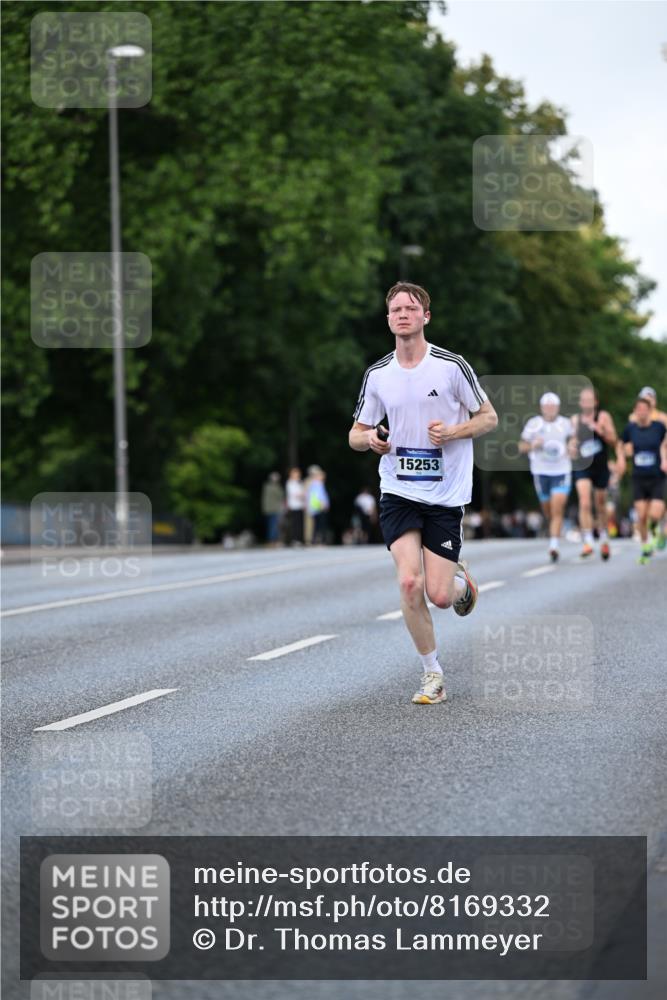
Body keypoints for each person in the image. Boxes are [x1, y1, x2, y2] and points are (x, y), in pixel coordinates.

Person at [349, 281, 498, 706]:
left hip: (445, 494)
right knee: (409, 582)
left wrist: (453, 431)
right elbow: (355, 434)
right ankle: (433, 674)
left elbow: (487, 418)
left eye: (411, 308)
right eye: (395, 309)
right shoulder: (378, 375)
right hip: (397, 489)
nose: (402, 314)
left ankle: (460, 585)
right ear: (388, 318)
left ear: (425, 317)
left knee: (438, 594)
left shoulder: (450, 367)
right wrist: (372, 441)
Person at [518, 392, 575, 562]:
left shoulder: (565, 424)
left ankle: (554, 546)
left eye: (553, 406)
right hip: (540, 471)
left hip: (561, 470)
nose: (550, 409)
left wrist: (572, 447)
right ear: (542, 408)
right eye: (547, 406)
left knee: (557, 508)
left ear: (557, 408)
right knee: (548, 510)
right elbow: (522, 446)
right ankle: (555, 533)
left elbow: (573, 441)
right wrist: (532, 445)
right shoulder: (533, 424)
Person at [617, 395, 667, 563]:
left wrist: (665, 459)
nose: (642, 412)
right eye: (639, 410)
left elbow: (665, 444)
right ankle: (646, 546)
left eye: (645, 409)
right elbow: (620, 444)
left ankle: (656, 531)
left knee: (654, 514)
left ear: (650, 411)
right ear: (635, 412)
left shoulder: (659, 427)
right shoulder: (630, 429)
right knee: (641, 516)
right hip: (638, 477)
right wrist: (622, 459)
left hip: (657, 476)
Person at [570, 387, 617, 560]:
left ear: (596, 402)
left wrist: (600, 429)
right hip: (582, 466)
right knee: (584, 501)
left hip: (600, 466)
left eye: (590, 399)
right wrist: (572, 447)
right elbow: (572, 442)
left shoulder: (603, 417)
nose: (586, 402)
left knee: (600, 502)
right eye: (583, 399)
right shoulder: (575, 420)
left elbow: (614, 440)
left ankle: (604, 537)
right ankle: (588, 540)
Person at [260, 471, 285, 546]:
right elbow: (280, 496)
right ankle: (273, 540)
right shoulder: (275, 487)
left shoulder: (267, 486)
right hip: (275, 508)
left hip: (269, 509)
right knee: (274, 525)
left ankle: (272, 540)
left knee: (271, 525)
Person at [307, 468, 330, 545]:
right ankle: (322, 540)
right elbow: (319, 496)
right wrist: (323, 504)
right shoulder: (318, 484)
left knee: (316, 525)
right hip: (319, 507)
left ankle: (315, 540)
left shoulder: (314, 484)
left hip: (315, 507)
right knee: (321, 524)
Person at [285, 467, 305, 545]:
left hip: (300, 505)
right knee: (294, 523)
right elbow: (293, 494)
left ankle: (299, 539)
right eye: (295, 473)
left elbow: (303, 492)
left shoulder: (299, 482)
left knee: (300, 523)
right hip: (293, 505)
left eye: (297, 473)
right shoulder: (289, 482)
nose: (297, 474)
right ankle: (294, 539)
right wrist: (301, 494)